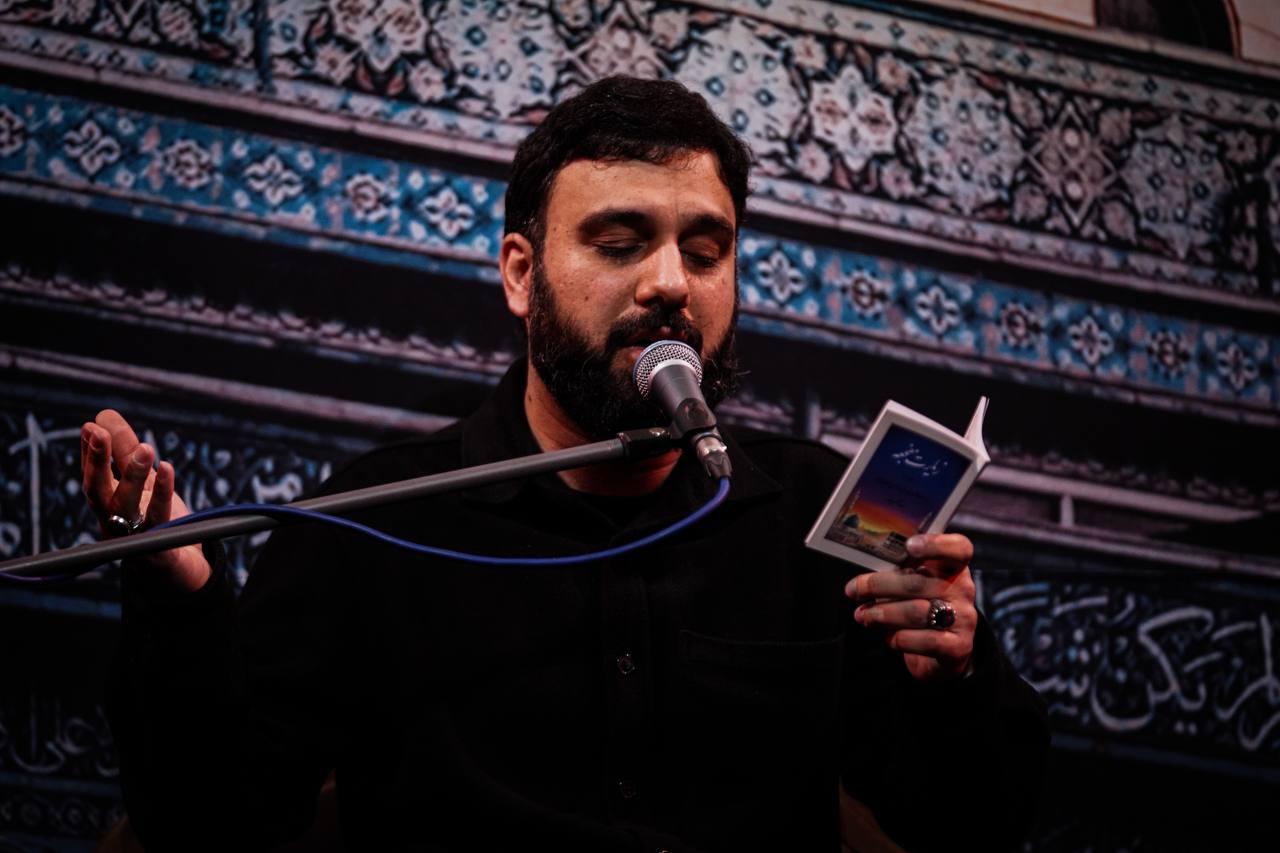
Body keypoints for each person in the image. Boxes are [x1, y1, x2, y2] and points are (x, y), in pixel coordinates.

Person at [84, 76, 1048, 852]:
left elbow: (978, 826)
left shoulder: (820, 508)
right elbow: (211, 825)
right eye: (620, 244)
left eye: (705, 251)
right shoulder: (374, 520)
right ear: (521, 273)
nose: (669, 283)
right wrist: (180, 595)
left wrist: (956, 674)